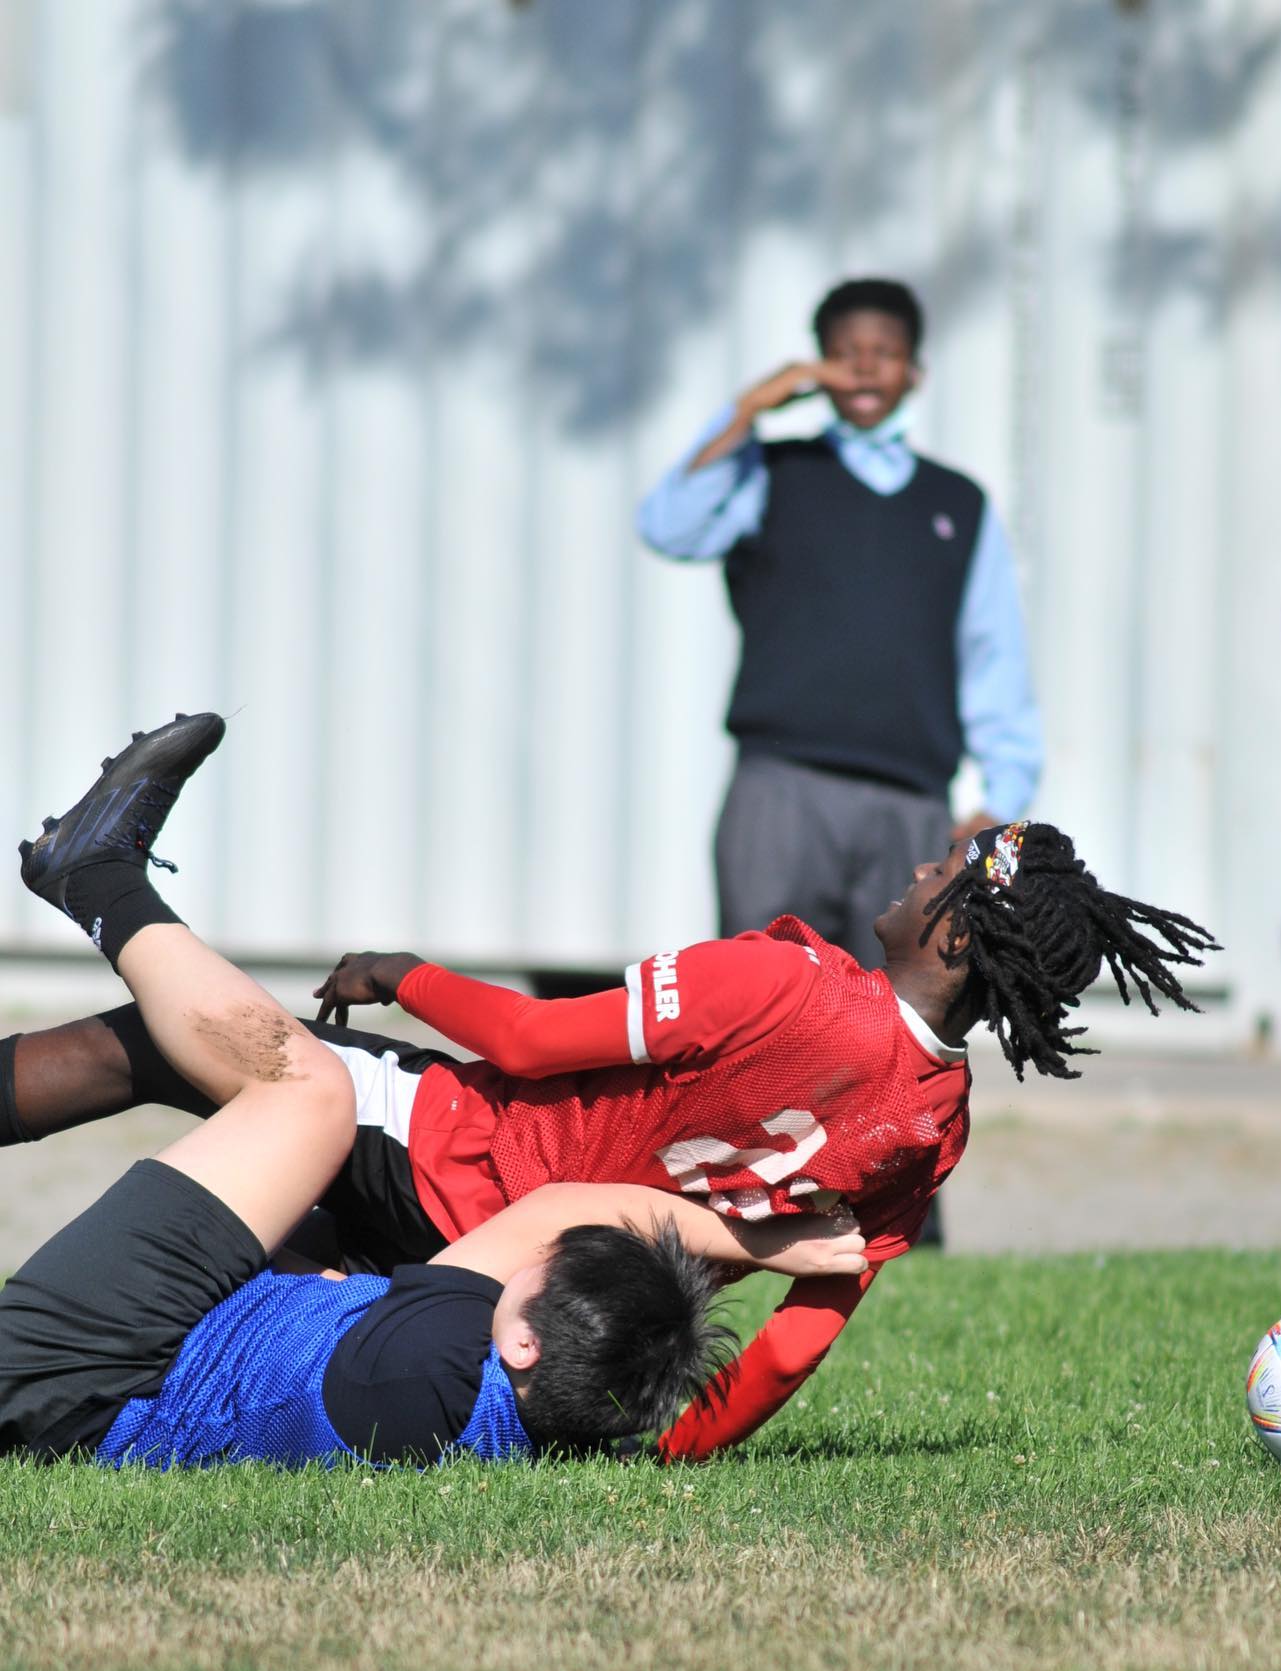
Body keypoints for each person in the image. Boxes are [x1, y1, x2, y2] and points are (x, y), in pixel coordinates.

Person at [2, 768, 1217, 1460]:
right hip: (525, 1319)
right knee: (256, 1269)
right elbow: (811, 1317)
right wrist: (668, 1457)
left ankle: (93, 873)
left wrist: (403, 975)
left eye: (941, 870)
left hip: (450, 1164)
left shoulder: (788, 981)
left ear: (954, 931)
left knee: (170, 1045)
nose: (914, 868)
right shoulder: (935, 1124)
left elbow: (532, 1038)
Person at [0, 714, 870, 1468]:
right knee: (296, 1195)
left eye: (536, 1277)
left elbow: (556, 1205)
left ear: (523, 1342)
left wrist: (756, 1244)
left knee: (309, 1091)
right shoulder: (526, 1407)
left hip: (73, 1367)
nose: (516, 1263)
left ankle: (98, 877)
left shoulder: (425, 1362)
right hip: (102, 1389)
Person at [636, 275, 1043, 972]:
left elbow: (992, 653)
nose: (862, 366)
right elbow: (670, 526)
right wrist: (746, 412)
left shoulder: (959, 505)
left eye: (883, 351)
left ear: (914, 372)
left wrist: (999, 803)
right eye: (843, 351)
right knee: (755, 998)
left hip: (912, 802)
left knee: (889, 1015)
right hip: (780, 791)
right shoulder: (771, 471)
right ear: (814, 367)